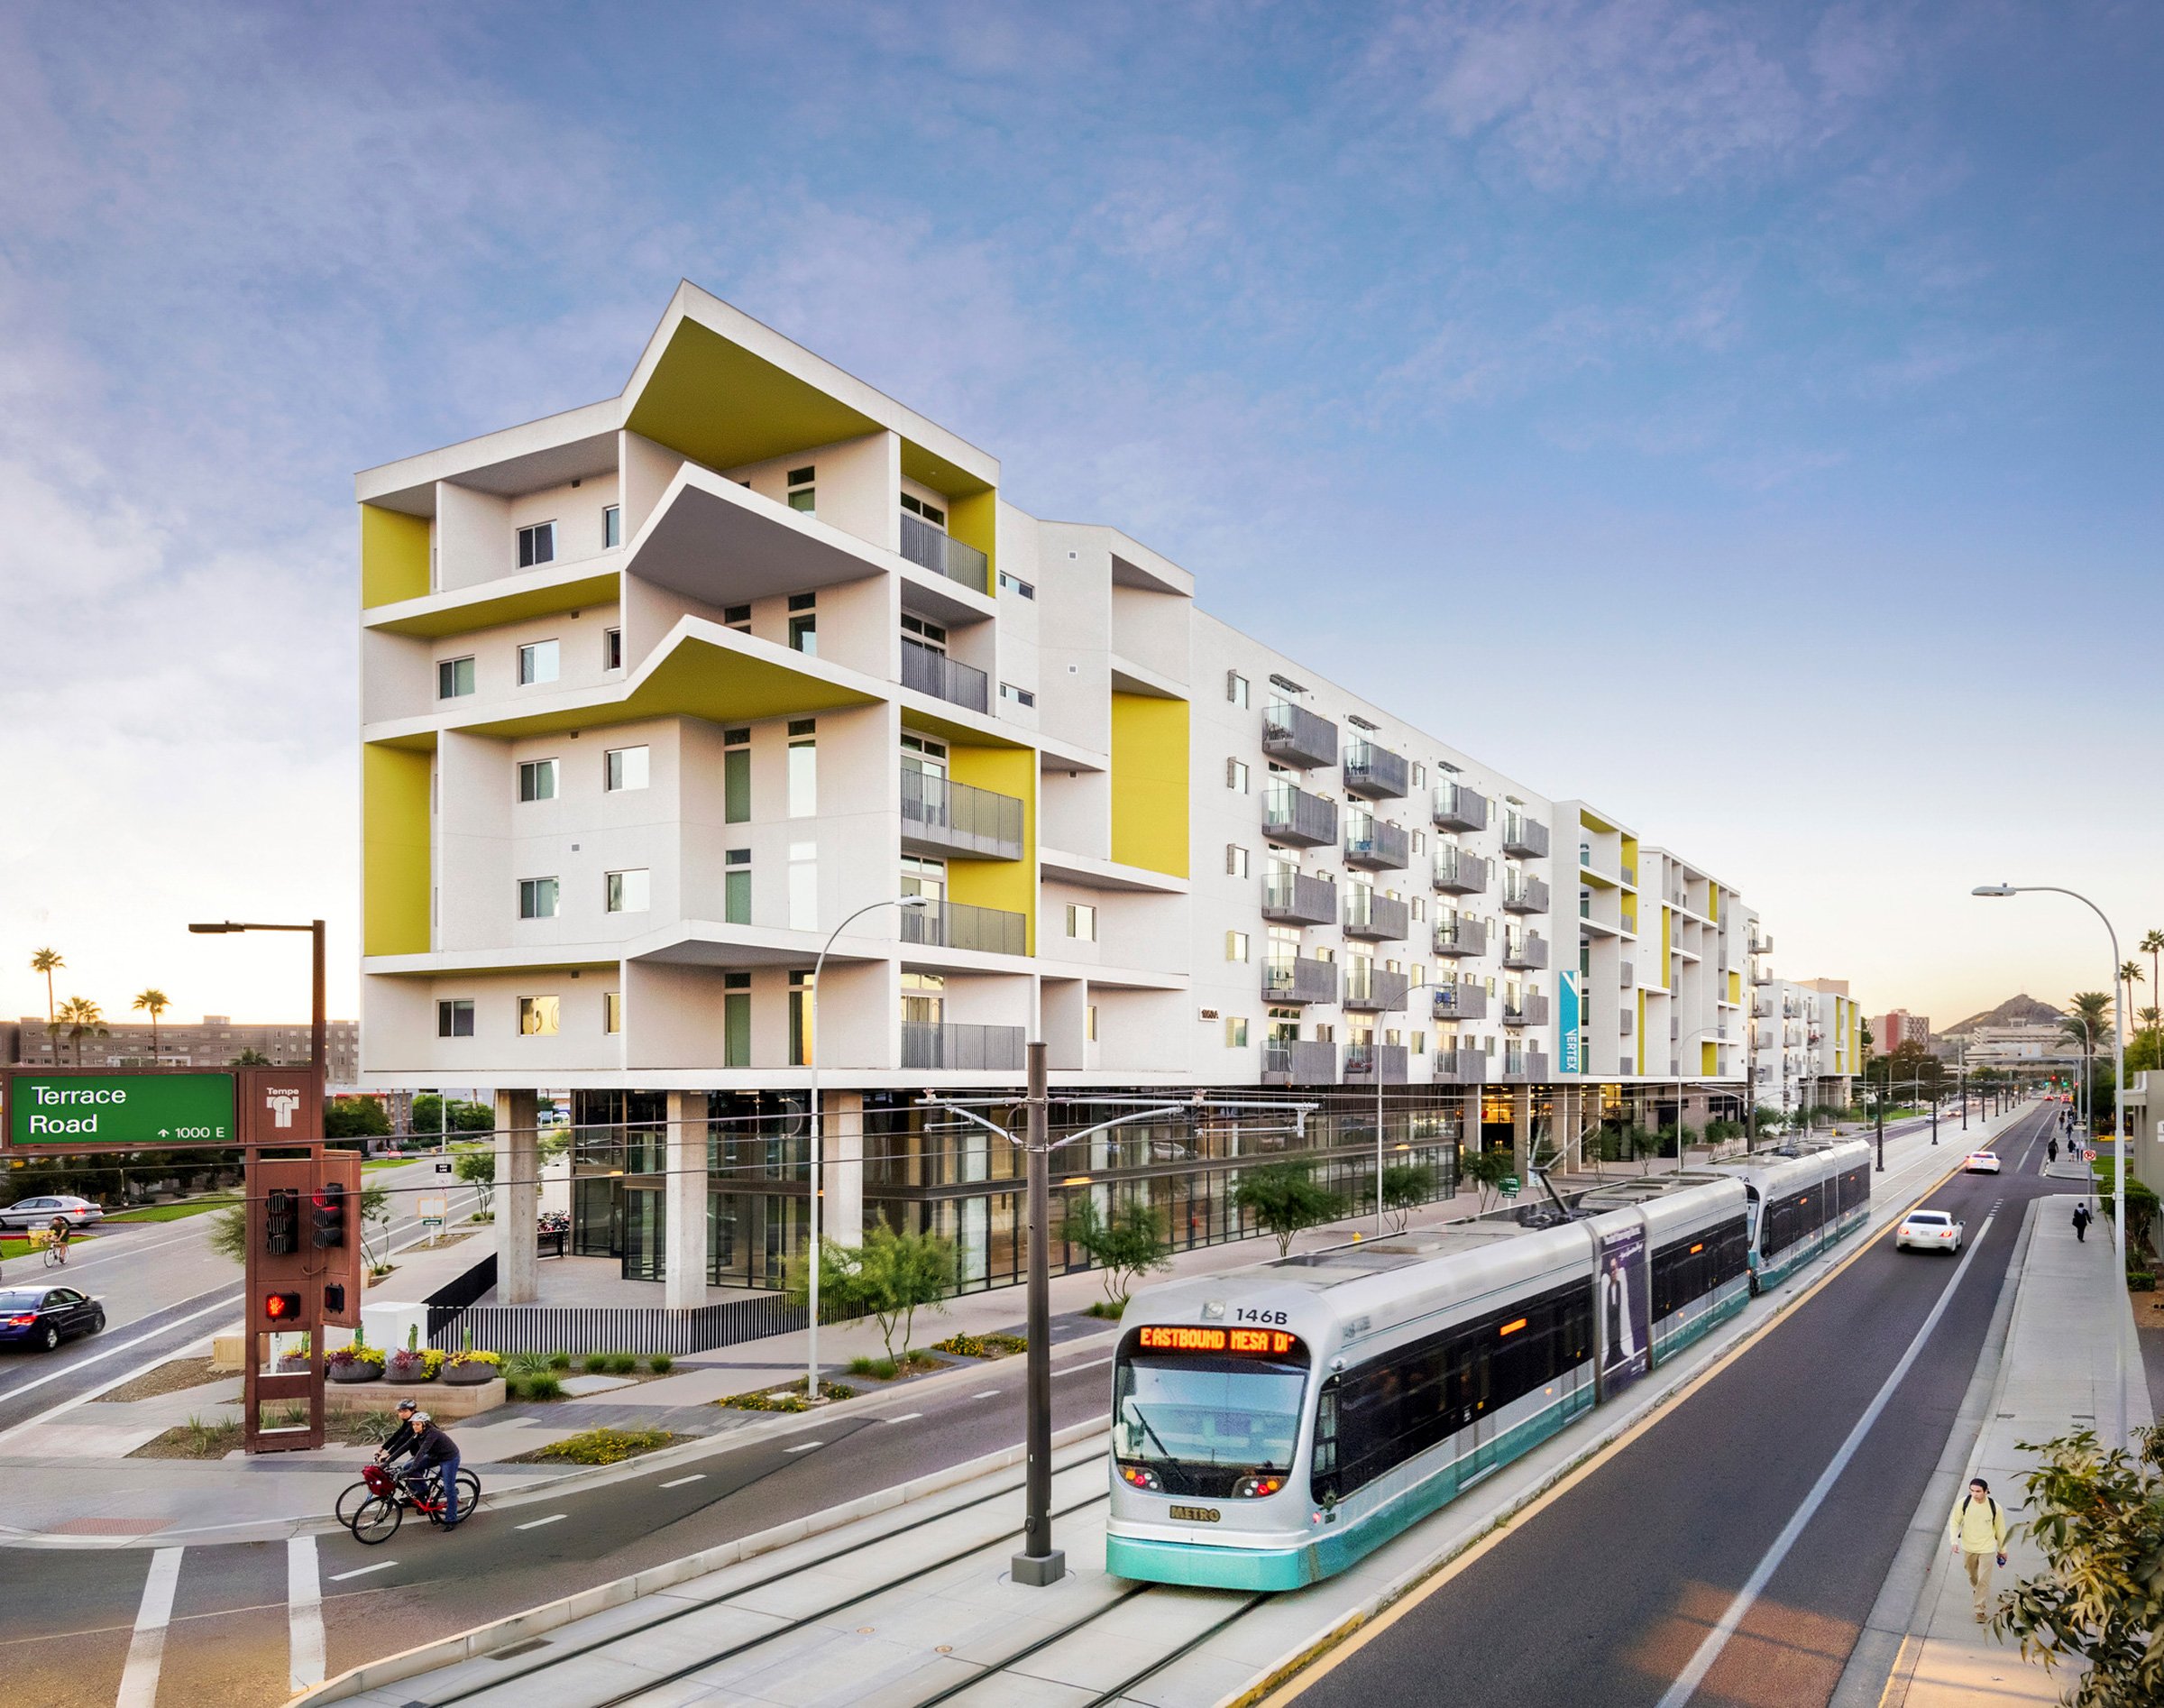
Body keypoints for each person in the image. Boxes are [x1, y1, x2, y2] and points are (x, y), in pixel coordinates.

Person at [377, 1399, 464, 1530]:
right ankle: (423, 1492)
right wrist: (387, 1462)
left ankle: (452, 1519)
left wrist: (412, 1468)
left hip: (448, 1458)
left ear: (424, 1424)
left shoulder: (432, 1433)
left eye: (417, 1425)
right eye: (413, 1425)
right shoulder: (418, 1433)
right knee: (406, 1467)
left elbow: (421, 1452)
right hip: (434, 1456)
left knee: (448, 1488)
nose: (415, 1427)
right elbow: (404, 1447)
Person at [1948, 1476, 2010, 1623]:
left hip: (1987, 1548)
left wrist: (2003, 1549)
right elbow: (1954, 1522)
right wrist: (1953, 1540)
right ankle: (1978, 1591)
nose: (1974, 1494)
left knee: (1983, 1580)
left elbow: (2001, 1530)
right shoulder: (1964, 1503)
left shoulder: (1995, 1507)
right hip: (1969, 1547)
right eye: (1972, 1491)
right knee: (1972, 1576)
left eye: (1978, 1491)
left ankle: (1979, 1610)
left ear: (1986, 1491)